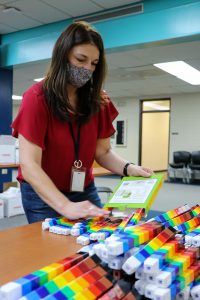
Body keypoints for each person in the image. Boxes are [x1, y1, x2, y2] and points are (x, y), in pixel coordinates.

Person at [12, 21, 153, 224]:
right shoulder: (37, 98)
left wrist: (128, 168)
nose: (87, 69)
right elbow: (29, 164)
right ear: (63, 55)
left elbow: (103, 152)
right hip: (43, 192)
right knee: (52, 251)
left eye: (94, 63)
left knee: (97, 243)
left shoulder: (98, 100)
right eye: (81, 59)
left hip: (82, 188)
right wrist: (65, 206)